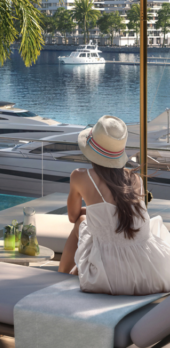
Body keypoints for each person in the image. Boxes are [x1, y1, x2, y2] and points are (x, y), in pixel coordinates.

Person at [58, 115, 170, 295]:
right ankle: (72, 272)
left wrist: (91, 211)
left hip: (109, 277)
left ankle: (60, 276)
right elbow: (123, 214)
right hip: (149, 271)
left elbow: (72, 216)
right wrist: (96, 211)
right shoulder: (135, 178)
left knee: (81, 221)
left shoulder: (79, 176)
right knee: (92, 222)